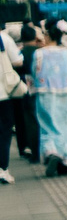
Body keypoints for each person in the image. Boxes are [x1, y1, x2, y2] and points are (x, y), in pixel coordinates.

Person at [32, 21, 67, 174]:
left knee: (48, 124)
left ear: (48, 36)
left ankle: (51, 151)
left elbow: (34, 72)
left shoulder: (39, 54)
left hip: (46, 92)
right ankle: (66, 159)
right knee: (66, 125)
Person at [0, 22, 33, 184]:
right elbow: (18, 60)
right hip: (3, 93)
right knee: (3, 132)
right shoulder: (3, 39)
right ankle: (2, 169)